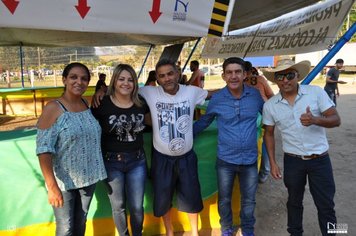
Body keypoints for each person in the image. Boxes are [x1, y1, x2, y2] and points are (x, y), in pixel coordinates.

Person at [262, 59, 341, 236]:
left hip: (320, 160)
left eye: (289, 75)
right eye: (280, 76)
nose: (285, 80)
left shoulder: (316, 93)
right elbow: (268, 133)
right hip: (293, 161)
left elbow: (336, 119)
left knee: (326, 204)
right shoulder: (270, 106)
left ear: (297, 76)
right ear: (275, 79)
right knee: (294, 202)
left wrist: (315, 120)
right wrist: (273, 163)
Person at [194, 57, 264, 236]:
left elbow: (270, 116)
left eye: (237, 72)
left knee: (249, 200)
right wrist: (181, 136)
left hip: (249, 160)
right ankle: (226, 229)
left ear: (245, 74)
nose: (234, 76)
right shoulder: (217, 99)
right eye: (229, 73)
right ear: (224, 76)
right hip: (225, 160)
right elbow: (204, 122)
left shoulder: (255, 96)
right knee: (224, 200)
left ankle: (248, 230)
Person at [36, 62, 107, 236]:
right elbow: (43, 150)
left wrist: (103, 90)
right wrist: (52, 187)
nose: (79, 82)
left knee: (80, 224)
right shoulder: (53, 108)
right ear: (64, 80)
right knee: (65, 228)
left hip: (88, 178)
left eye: (84, 78)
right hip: (63, 183)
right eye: (73, 77)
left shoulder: (85, 103)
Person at [91, 64, 150, 236]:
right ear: (114, 81)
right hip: (111, 163)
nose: (126, 83)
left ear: (135, 83)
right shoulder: (101, 103)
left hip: (137, 161)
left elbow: (151, 122)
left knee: (137, 207)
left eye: (130, 79)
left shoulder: (141, 103)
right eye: (121, 79)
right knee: (118, 207)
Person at [244, 61, 274, 183]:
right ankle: (264, 172)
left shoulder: (238, 81)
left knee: (260, 141)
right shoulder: (260, 79)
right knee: (264, 141)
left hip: (252, 114)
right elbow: (271, 95)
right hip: (262, 112)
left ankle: (260, 171)